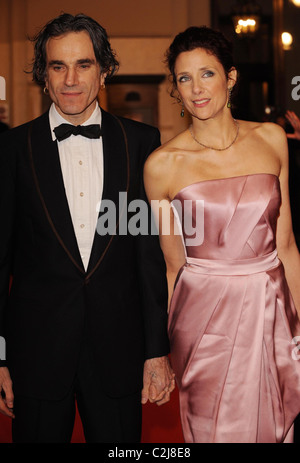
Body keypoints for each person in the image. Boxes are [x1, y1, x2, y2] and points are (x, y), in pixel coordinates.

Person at [0, 13, 175, 443]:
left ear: (104, 72)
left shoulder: (142, 142)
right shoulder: (11, 149)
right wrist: (0, 357)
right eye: (57, 66)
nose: (71, 79)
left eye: (83, 65)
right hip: (35, 356)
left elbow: (148, 256)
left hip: (118, 351)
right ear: (43, 76)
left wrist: (156, 350)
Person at [144, 26, 300, 443]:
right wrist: (162, 352)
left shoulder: (270, 139)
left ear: (230, 77)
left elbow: (286, 246)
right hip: (205, 320)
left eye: (207, 74)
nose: (196, 89)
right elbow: (173, 267)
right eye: (183, 78)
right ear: (175, 89)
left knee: (276, 423)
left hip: (272, 310)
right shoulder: (162, 164)